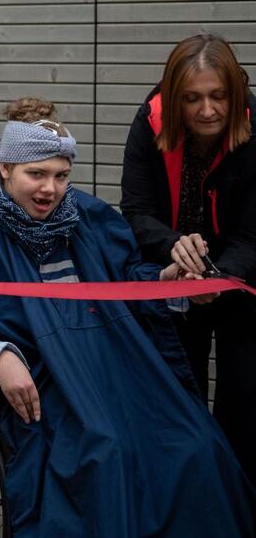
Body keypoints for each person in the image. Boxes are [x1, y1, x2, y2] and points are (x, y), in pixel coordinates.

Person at [0, 97, 254, 537]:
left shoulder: (85, 217)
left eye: (61, 176)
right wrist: (0, 356)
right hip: (48, 377)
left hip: (114, 361)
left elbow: (127, 281)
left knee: (196, 443)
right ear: (5, 168)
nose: (50, 189)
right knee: (106, 453)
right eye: (36, 174)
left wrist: (168, 282)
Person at [120, 33, 256, 482]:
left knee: (243, 397)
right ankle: (190, 499)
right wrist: (170, 245)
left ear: (235, 93)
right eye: (192, 99)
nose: (208, 110)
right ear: (174, 97)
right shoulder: (149, 123)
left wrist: (223, 276)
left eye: (218, 96)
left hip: (242, 277)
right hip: (177, 274)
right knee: (180, 396)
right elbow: (138, 210)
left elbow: (254, 231)